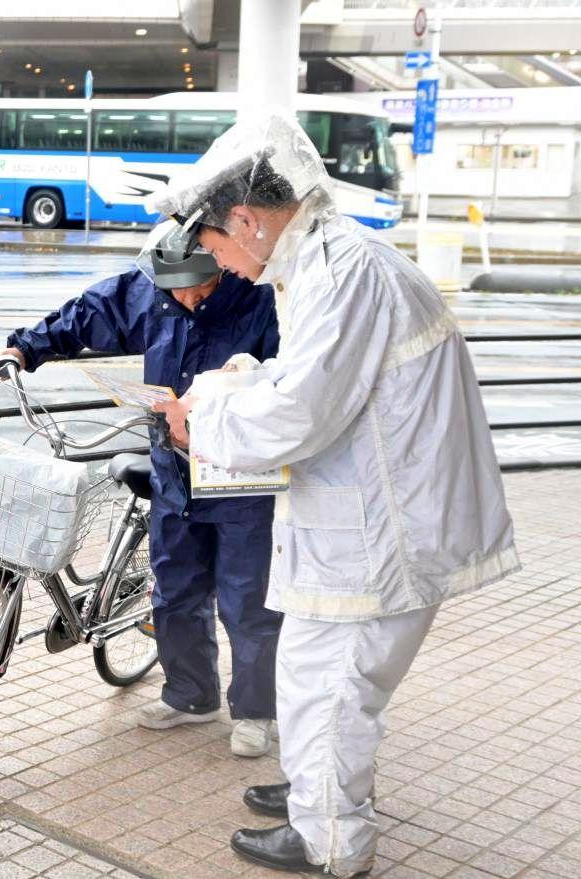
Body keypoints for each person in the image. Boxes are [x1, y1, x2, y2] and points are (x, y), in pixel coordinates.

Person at [150, 114, 519, 877]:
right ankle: (316, 793)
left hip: (382, 535)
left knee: (330, 686)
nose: (219, 264)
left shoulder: (344, 273)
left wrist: (204, 416)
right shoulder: (330, 263)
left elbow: (300, 411)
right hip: (380, 519)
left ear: (246, 219)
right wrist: (243, 381)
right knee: (321, 680)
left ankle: (329, 840)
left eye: (213, 244)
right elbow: (315, 383)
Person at [0, 220, 282, 757]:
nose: (187, 297)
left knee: (248, 600)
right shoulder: (150, 290)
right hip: (173, 470)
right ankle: (190, 696)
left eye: (199, 287)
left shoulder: (260, 299)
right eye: (174, 289)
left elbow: (290, 380)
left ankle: (257, 711)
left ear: (223, 266)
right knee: (175, 590)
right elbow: (88, 313)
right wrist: (23, 350)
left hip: (242, 476)